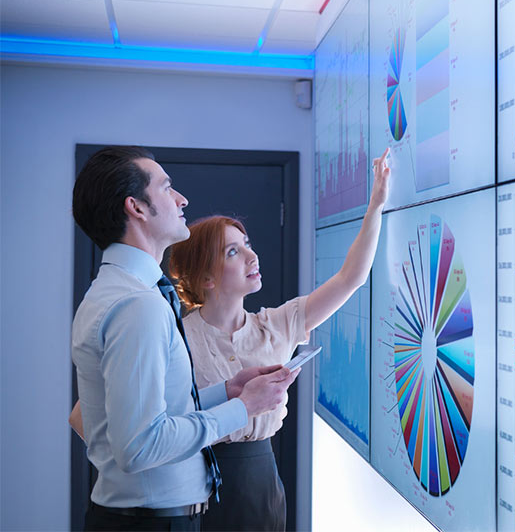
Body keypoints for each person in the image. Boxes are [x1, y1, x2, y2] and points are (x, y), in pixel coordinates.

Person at [71, 146, 299, 531]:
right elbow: (141, 445)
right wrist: (243, 408)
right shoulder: (136, 305)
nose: (182, 199)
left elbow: (153, 414)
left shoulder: (122, 292)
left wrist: (226, 391)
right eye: (167, 188)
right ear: (137, 208)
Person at [166, 148, 391, 531]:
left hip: (263, 484)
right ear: (206, 278)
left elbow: (351, 277)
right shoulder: (177, 338)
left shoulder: (278, 324)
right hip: (195, 486)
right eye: (234, 251)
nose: (253, 257)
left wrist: (376, 207)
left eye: (247, 243)